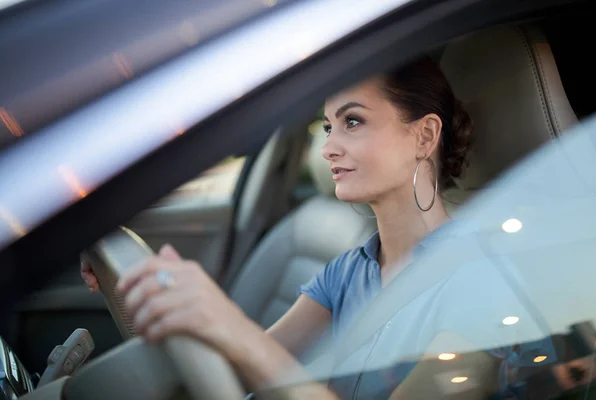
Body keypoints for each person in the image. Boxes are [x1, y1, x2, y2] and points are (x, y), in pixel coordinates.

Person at [82, 56, 483, 398]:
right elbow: (239, 367)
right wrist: (146, 286)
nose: (327, 148)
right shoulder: (347, 272)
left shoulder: (476, 283)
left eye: (353, 122)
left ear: (425, 135)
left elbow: (252, 350)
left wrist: (229, 323)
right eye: (328, 127)